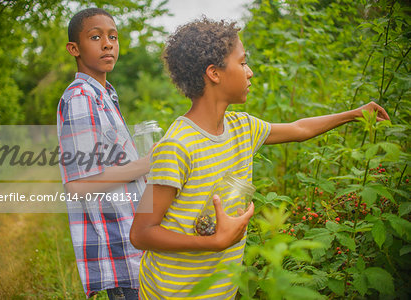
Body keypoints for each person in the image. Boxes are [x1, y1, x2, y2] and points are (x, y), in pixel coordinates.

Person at [129, 18, 390, 299]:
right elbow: (141, 233)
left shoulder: (243, 127)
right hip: (173, 292)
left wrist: (353, 113)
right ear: (214, 73)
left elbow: (299, 129)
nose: (250, 72)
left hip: (220, 291)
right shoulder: (176, 146)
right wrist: (215, 243)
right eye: (242, 63)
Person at [57, 8, 150, 300]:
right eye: (95, 37)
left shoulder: (104, 95)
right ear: (75, 48)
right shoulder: (81, 98)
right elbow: (79, 185)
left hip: (132, 241)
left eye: (113, 37)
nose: (107, 44)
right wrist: (147, 163)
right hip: (117, 247)